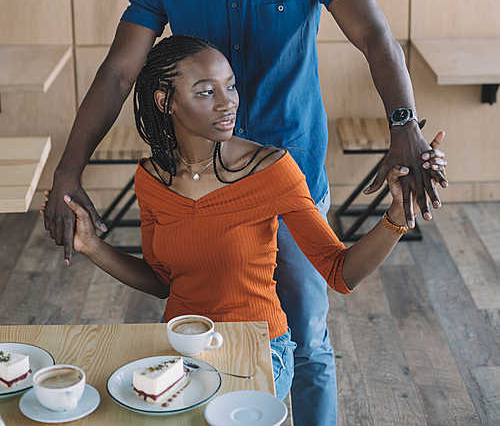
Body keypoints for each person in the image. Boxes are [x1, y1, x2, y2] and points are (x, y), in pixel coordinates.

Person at [44, 0, 447, 425]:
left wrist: (404, 126)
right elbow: (119, 73)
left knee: (307, 338)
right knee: (206, 331)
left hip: (291, 180)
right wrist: (68, 171)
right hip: (201, 187)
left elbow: (375, 36)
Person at [41, 35, 445, 401]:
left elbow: (340, 272)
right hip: (182, 350)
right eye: (206, 92)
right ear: (166, 100)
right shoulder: (151, 178)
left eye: (230, 86)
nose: (228, 101)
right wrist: (92, 246)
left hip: (259, 349)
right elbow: (162, 281)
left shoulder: (272, 170)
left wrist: (397, 214)